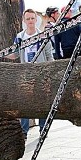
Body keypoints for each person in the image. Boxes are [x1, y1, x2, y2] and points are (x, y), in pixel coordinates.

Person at [13, 9, 54, 137]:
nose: (30, 21)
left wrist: (50, 71)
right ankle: (24, 130)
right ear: (24, 21)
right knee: (25, 102)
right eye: (28, 19)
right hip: (25, 72)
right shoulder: (20, 37)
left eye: (32, 18)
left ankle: (43, 128)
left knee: (42, 101)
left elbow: (49, 55)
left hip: (40, 71)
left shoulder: (43, 36)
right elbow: (14, 54)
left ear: (36, 20)